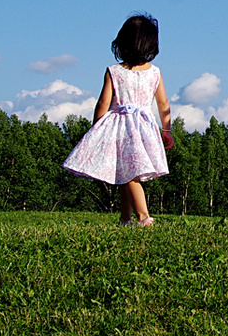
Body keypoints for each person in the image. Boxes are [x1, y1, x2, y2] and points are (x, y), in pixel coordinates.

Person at [63, 13, 174, 226]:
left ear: (122, 42)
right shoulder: (155, 73)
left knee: (130, 174)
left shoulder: (114, 71)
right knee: (126, 172)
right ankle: (125, 219)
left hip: (119, 127)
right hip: (144, 128)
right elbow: (163, 104)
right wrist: (166, 130)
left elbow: (103, 104)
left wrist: (96, 127)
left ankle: (143, 217)